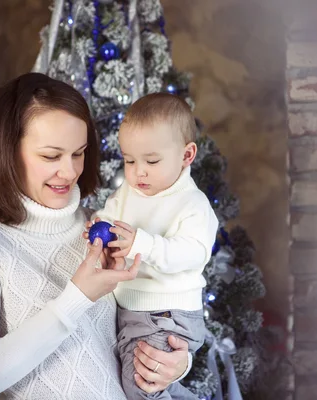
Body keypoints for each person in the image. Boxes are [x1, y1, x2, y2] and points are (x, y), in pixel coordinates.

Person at [0, 73, 192, 400]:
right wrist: (77, 296)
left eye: (79, 153)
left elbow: (152, 322)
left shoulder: (104, 226)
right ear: (5, 152)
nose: (71, 171)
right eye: (50, 156)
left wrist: (176, 363)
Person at [86, 93, 219, 399]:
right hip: (133, 309)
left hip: (167, 312)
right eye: (129, 160)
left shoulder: (192, 204)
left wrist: (140, 243)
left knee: (142, 387)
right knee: (146, 385)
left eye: (151, 160)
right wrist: (97, 226)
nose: (138, 171)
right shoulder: (129, 193)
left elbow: (192, 252)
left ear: (187, 155)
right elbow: (110, 214)